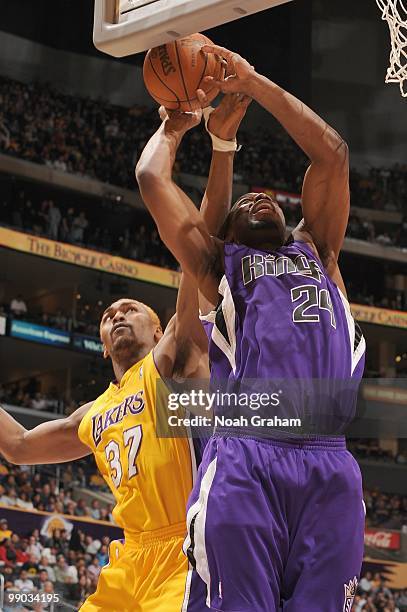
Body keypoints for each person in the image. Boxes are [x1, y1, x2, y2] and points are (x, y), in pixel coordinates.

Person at [136, 44, 366, 612]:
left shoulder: (321, 253)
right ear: (228, 233)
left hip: (330, 465)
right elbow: (149, 177)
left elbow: (332, 154)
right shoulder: (221, 267)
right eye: (244, 201)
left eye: (267, 198)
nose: (257, 196)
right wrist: (176, 125)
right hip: (246, 457)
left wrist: (254, 83)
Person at [0, 95, 249, 612]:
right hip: (129, 561)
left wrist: (220, 146)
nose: (116, 313)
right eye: (109, 313)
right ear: (100, 339)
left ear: (159, 328)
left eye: (130, 307)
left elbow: (200, 247)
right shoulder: (93, 415)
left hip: (186, 547)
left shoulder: (174, 361)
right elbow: (20, 445)